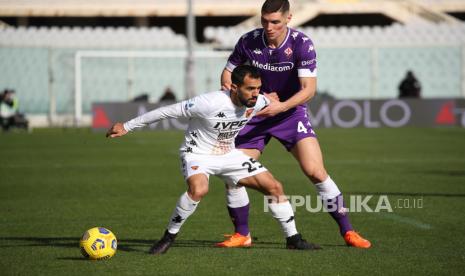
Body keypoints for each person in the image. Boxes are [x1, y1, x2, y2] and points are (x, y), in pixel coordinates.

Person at [106, 65, 321, 254]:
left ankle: (293, 239)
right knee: (199, 190)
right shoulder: (208, 102)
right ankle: (168, 237)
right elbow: (166, 112)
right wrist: (126, 126)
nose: (256, 94)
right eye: (250, 89)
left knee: (274, 187)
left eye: (258, 88)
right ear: (234, 87)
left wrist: (273, 100)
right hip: (197, 154)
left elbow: (270, 103)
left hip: (229, 154)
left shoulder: (258, 100)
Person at [217, 0, 371, 248]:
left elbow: (308, 90)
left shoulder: (302, 44)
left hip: (289, 114)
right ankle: (242, 234)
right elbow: (227, 75)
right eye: (265, 21)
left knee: (315, 171)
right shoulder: (248, 41)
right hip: (255, 116)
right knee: (233, 174)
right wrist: (247, 97)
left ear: (289, 19)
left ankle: (348, 232)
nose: (269, 27)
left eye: (275, 22)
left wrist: (281, 106)